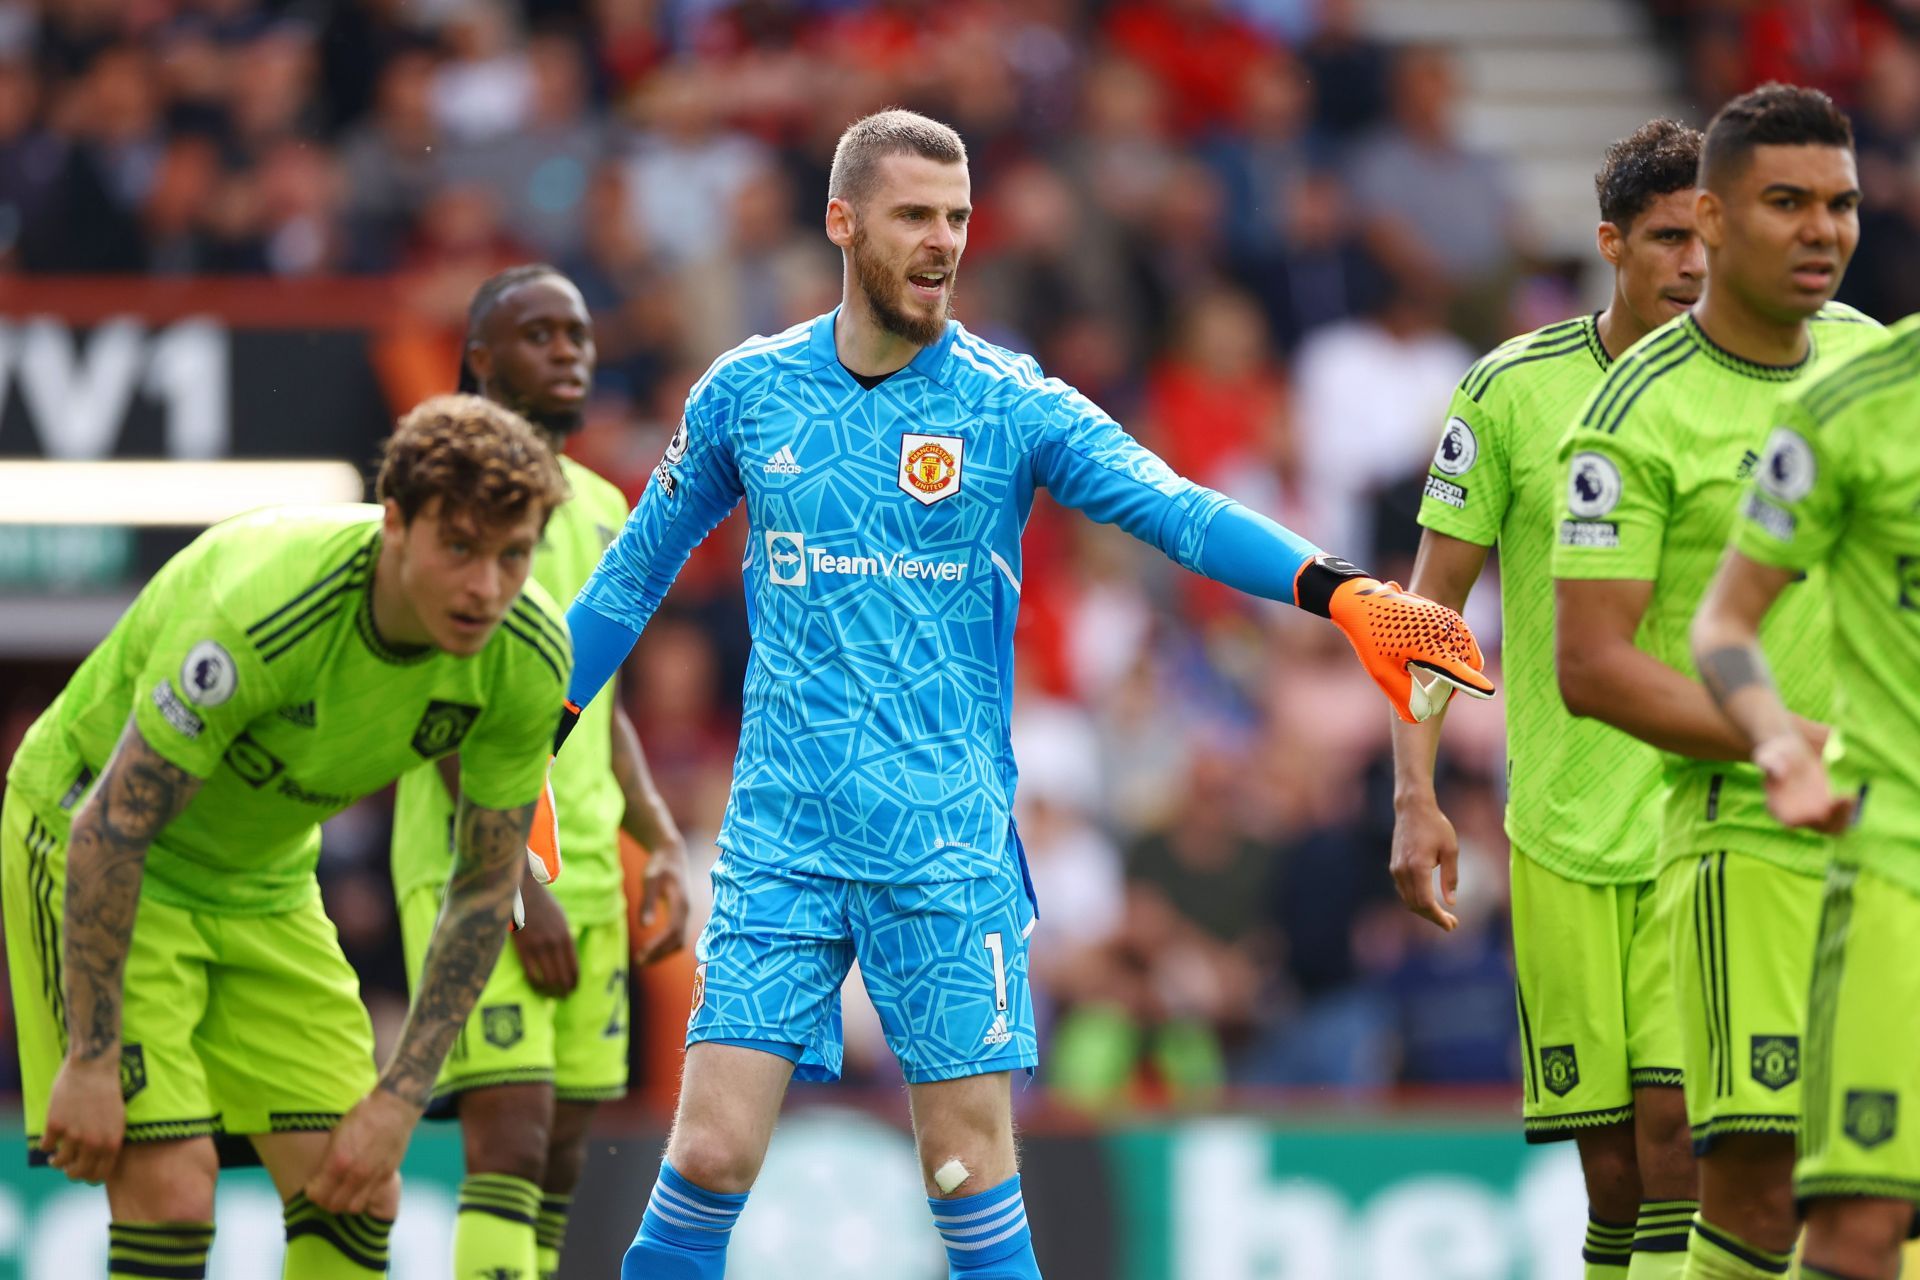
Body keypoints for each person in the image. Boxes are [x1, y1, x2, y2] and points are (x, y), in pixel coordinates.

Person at [558, 109, 1493, 1280]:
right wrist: (533, 737)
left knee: (965, 1166)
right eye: (914, 216)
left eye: (957, 216)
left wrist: (1344, 592)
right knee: (704, 1151)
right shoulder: (751, 392)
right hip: (782, 838)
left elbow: (1176, 509)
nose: (943, 240)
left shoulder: (1009, 400)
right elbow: (630, 578)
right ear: (844, 222)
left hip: (945, 845)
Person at [1, 396, 572, 1279]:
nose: (485, 588)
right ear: (394, 522)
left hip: (263, 876)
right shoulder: (263, 609)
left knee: (357, 1190)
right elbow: (113, 828)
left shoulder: (527, 653)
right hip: (107, 844)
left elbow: (486, 884)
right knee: (175, 1195)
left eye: (512, 555)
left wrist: (400, 1099)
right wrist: (90, 1057)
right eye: (457, 547)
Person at [1549, 84, 1882, 1280]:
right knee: (1755, 1186)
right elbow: (1589, 666)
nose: (1822, 231)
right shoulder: (1632, 414)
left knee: (1883, 1187)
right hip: (1746, 842)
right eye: (1784, 202)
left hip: (1888, 840)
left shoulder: (1875, 367)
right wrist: (1786, 744)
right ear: (1713, 215)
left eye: (1839, 203)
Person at [1390, 119, 1706, 1279]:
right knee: (1615, 1169)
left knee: (1684, 1139)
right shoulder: (1512, 392)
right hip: (1564, 828)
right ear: (1610, 244)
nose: (1695, 265)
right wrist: (1414, 791)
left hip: (1703, 823)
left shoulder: (1769, 383)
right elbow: (1429, 613)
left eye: (1711, 237)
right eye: (1670, 238)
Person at [390, 265, 689, 1280]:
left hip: (594, 879)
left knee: (561, 1155)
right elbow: (430, 715)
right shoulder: (450, 502)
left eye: (579, 333)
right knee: (509, 1142)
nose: (570, 351)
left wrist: (660, 839)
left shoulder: (609, 506)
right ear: (480, 361)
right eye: (540, 334)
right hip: (480, 870)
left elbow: (596, 708)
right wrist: (518, 883)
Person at [1690, 315, 1916, 1280]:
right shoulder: (1853, 403)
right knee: (1855, 1226)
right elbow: (1725, 621)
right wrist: (1778, 743)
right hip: (1894, 864)